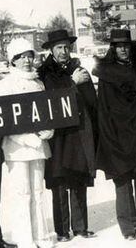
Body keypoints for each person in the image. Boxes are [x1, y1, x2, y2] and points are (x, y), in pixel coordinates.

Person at [92, 29, 136, 240]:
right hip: (118, 136)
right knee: (122, 185)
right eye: (118, 46)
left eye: (126, 45)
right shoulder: (106, 73)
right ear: (113, 48)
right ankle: (129, 228)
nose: (123, 49)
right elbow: (104, 110)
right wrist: (110, 139)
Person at [38, 30, 97, 242]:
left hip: (78, 132)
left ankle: (81, 227)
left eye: (66, 47)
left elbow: (91, 100)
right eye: (59, 48)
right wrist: (73, 83)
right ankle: (62, 230)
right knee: (60, 182)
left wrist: (85, 82)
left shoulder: (77, 67)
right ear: (51, 50)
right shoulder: (45, 72)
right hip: (59, 136)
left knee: (79, 178)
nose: (64, 51)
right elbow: (51, 101)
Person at [0, 38, 54, 248]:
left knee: (38, 192)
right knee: (23, 194)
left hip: (38, 147)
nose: (27, 61)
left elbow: (45, 113)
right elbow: (4, 120)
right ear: (13, 60)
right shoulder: (5, 85)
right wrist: (23, 138)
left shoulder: (38, 83)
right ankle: (25, 239)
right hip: (17, 148)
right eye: (21, 57)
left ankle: (42, 235)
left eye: (29, 56)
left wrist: (48, 131)